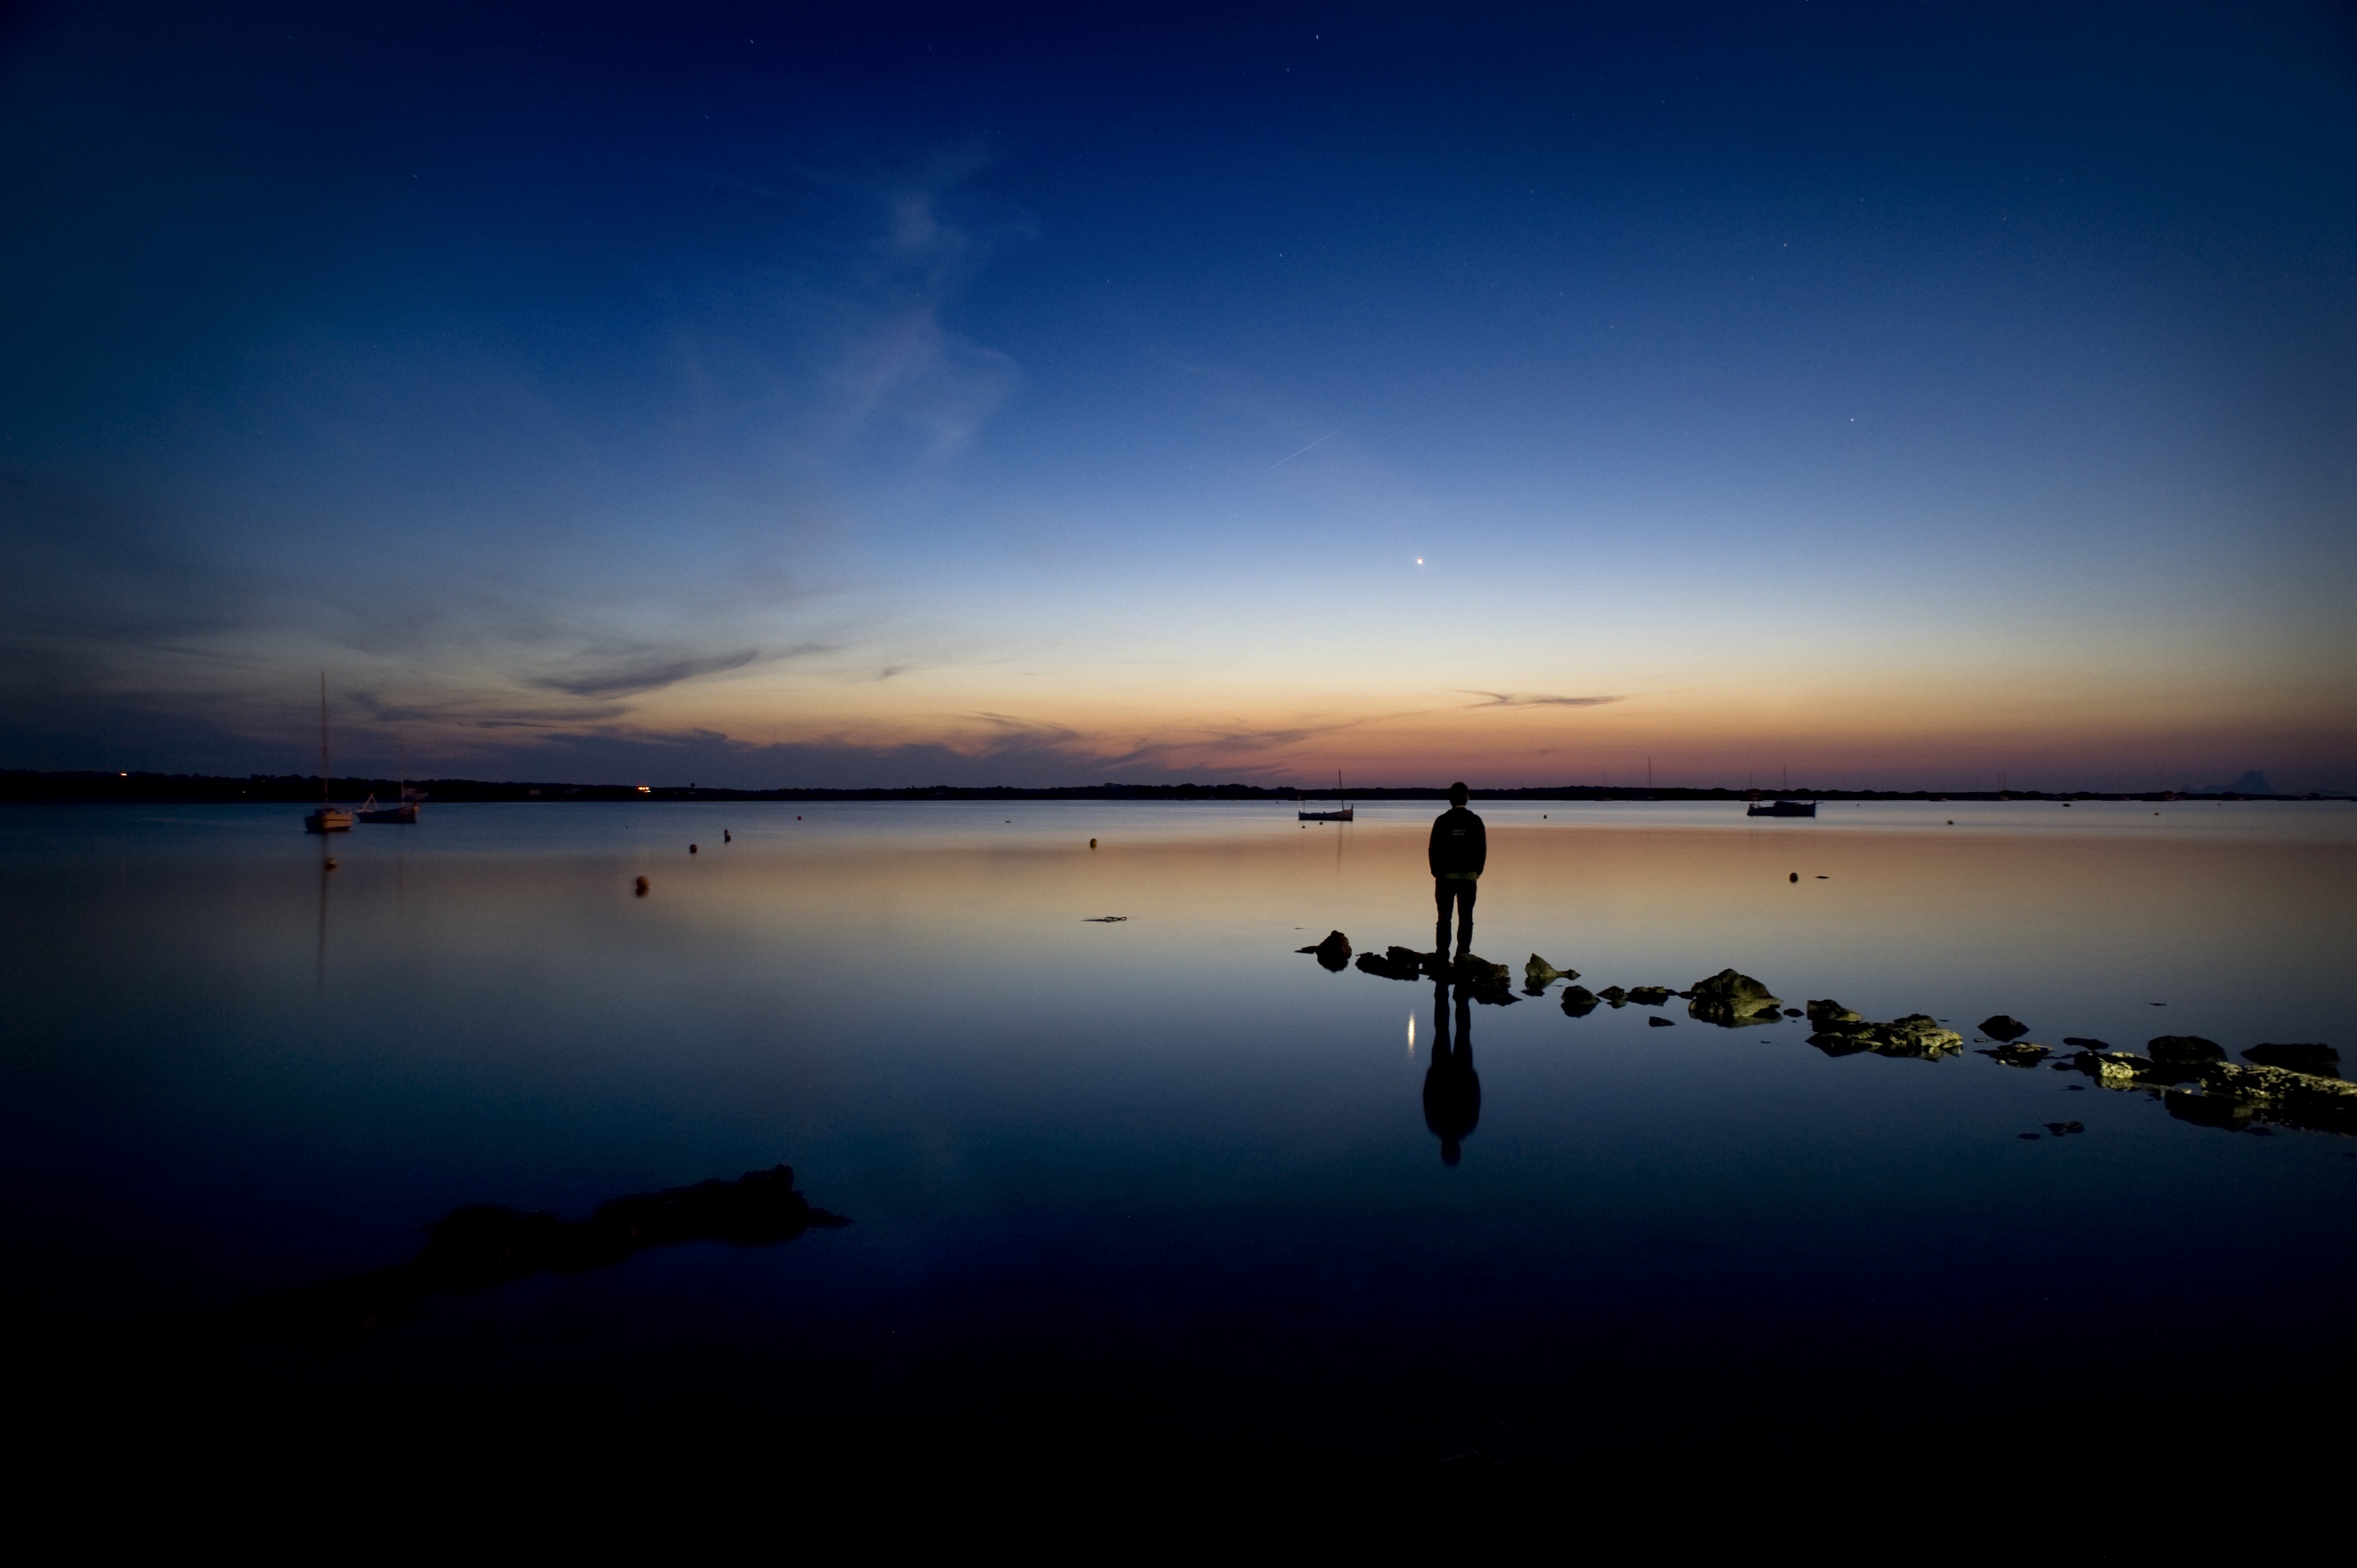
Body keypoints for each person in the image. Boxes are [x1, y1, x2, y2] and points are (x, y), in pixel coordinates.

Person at [1422, 977, 1479, 1166]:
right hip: (1456, 1072)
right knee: (1455, 1031)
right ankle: (1450, 990)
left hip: (1445, 1072)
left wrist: (1432, 1074)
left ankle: (1447, 989)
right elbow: (1475, 1097)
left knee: (1450, 1031)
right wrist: (1472, 1076)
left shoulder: (1441, 1125)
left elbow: (1427, 1096)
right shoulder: (1460, 1126)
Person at [1428, 781, 1486, 958]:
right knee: (1466, 918)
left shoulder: (1442, 821)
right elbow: (1482, 850)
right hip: (1468, 878)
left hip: (1445, 878)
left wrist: (1436, 871)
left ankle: (1442, 954)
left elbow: (1433, 849)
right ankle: (1463, 955)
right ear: (1467, 798)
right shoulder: (1475, 821)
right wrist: (1477, 872)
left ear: (1450, 799)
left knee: (1444, 918)